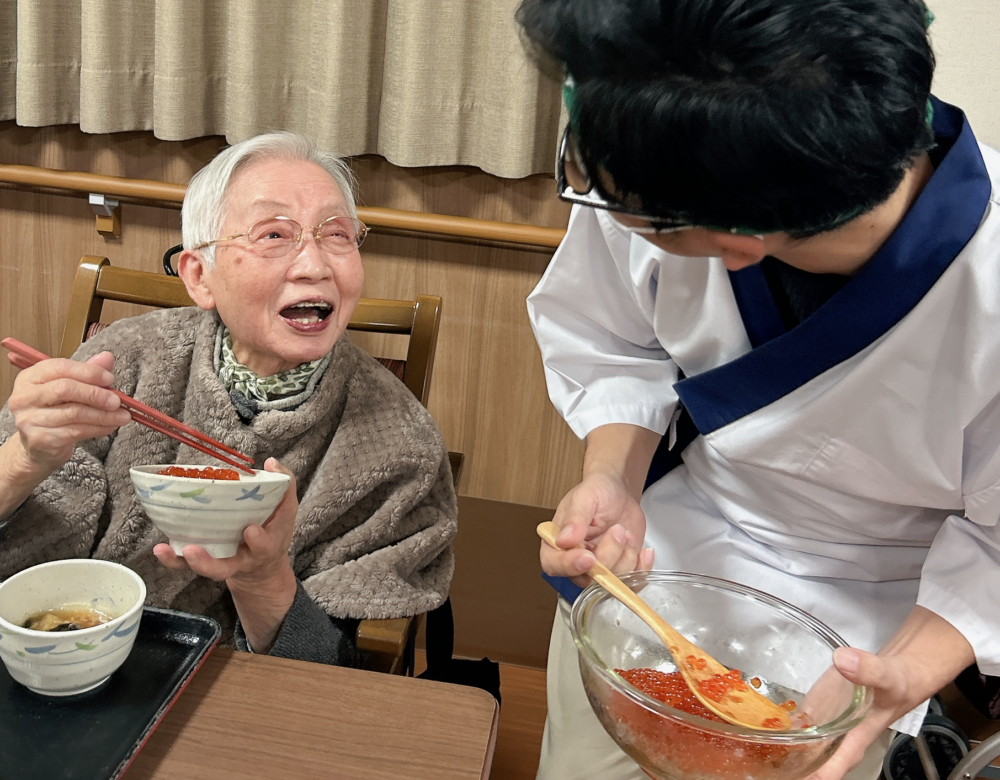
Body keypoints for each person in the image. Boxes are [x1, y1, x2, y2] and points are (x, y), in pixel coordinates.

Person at [517, 0, 1000, 778]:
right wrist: (614, 477)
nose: (602, 206)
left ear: (731, 250)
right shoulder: (668, 158)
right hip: (655, 576)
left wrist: (911, 669)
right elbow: (612, 338)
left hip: (855, 645)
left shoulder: (991, 293)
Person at [0, 132, 457, 665]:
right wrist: (24, 459)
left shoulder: (398, 446)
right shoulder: (124, 359)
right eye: (273, 235)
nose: (315, 266)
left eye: (338, 234)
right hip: (55, 656)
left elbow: (338, 679)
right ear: (200, 276)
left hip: (235, 697)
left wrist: (262, 577)